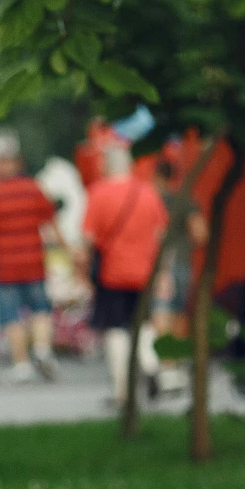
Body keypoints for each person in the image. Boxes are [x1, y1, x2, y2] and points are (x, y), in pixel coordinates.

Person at [79, 144, 170, 407]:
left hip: (112, 273)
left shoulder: (98, 193)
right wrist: (163, 272)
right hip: (145, 271)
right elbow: (161, 235)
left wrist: (83, 273)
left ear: (106, 166)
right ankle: (151, 365)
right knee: (144, 323)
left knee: (115, 329)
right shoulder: (148, 192)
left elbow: (87, 238)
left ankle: (122, 391)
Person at [0, 155, 60, 382]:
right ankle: (42, 349)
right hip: (34, 261)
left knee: (12, 317)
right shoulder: (34, 189)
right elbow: (49, 221)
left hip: (6, 264)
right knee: (41, 310)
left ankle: (21, 364)